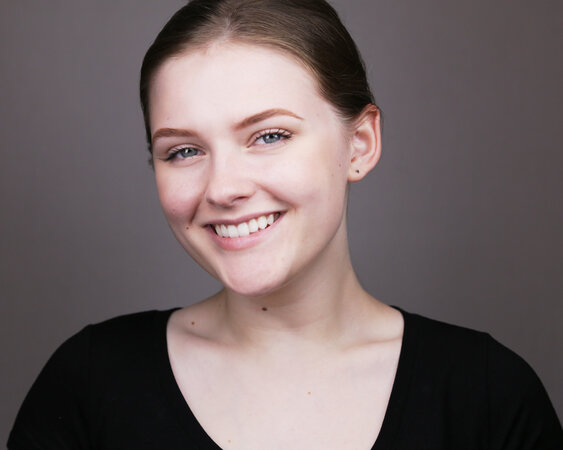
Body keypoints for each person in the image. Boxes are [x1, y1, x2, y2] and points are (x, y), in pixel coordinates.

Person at [8, 0, 562, 449]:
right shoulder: (88, 384)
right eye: (183, 151)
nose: (223, 188)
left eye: (269, 136)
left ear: (359, 144)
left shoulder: (488, 395)